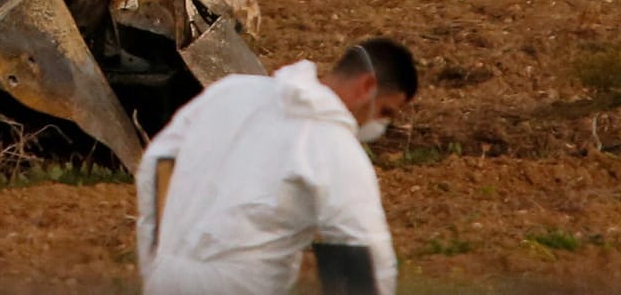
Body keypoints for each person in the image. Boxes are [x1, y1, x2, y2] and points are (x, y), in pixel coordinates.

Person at [135, 38, 419, 295]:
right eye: (385, 112)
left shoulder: (231, 91)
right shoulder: (334, 147)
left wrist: (157, 260)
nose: (378, 125)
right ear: (367, 86)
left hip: (168, 278)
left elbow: (158, 163)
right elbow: (363, 251)